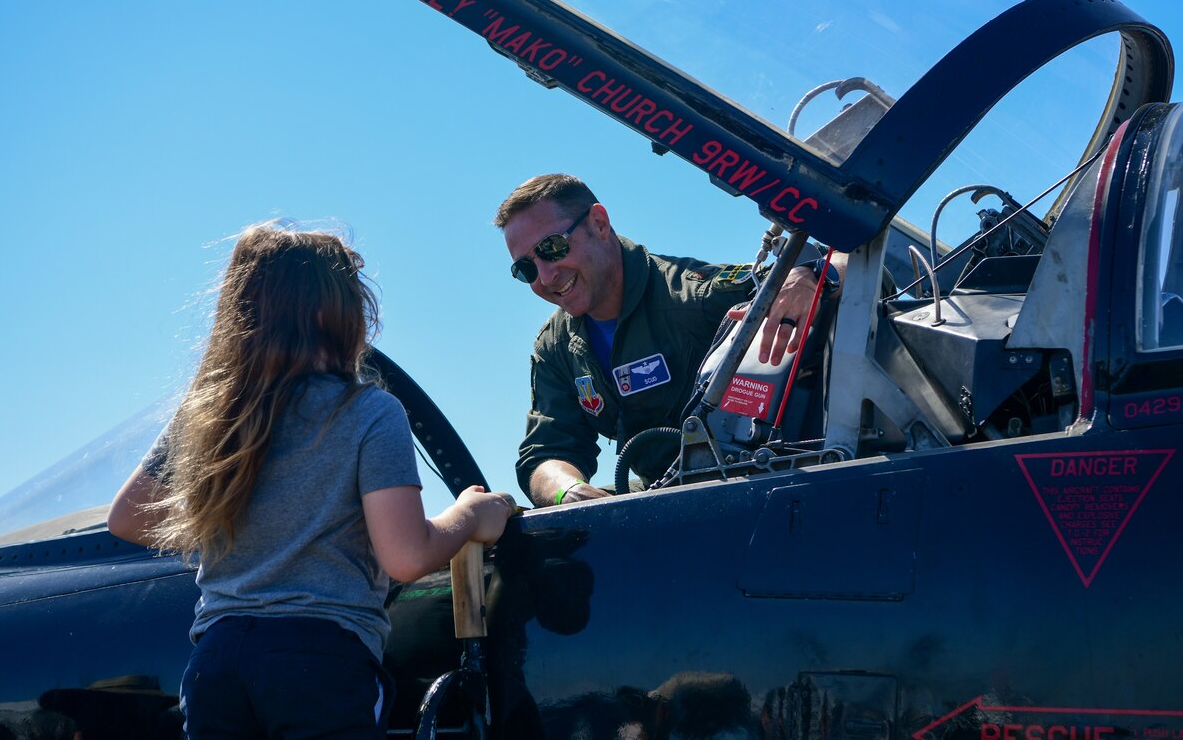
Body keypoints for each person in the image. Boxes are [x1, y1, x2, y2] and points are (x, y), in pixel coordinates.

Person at [107, 222, 514, 740]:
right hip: (320, 661)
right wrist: (470, 514)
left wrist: (239, 528)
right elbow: (406, 557)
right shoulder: (370, 411)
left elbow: (127, 517)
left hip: (215, 661)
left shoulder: (210, 413)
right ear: (328, 313)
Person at [497, 174, 842, 508]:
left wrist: (809, 277)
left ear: (599, 224)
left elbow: (848, 261)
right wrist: (570, 492)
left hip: (753, 489)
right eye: (527, 268)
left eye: (552, 248)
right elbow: (547, 454)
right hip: (661, 499)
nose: (546, 277)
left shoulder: (694, 296)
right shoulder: (555, 347)